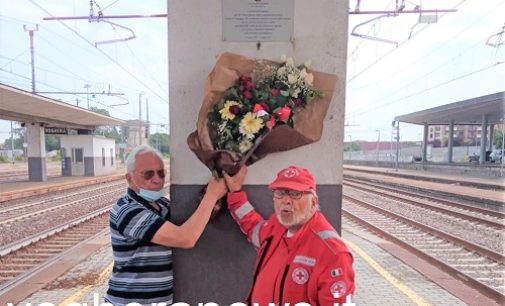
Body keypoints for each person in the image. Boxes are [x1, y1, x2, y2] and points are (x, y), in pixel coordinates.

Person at [105, 145, 227, 306]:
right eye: (148, 174)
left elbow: (193, 224)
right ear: (129, 178)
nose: (157, 179)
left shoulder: (162, 205)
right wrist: (212, 194)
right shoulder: (127, 210)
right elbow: (185, 238)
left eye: (161, 173)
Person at [223, 165, 355, 306]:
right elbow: (254, 227)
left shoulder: (333, 253)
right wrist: (236, 194)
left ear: (314, 202)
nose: (286, 201)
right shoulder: (276, 226)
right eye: (280, 193)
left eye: (295, 194)